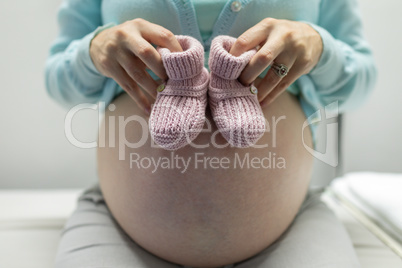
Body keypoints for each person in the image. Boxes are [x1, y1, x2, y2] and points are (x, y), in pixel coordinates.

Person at [46, 0, 377, 267]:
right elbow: (58, 83)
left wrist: (320, 47)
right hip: (119, 232)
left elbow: (360, 84)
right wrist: (93, 50)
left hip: (291, 230)